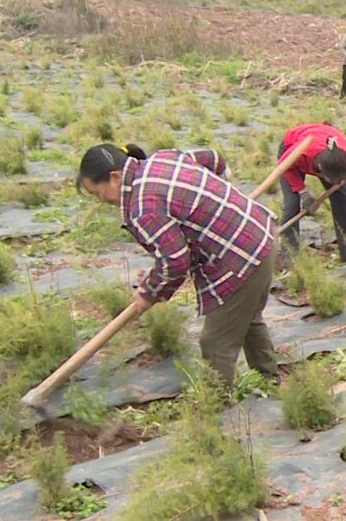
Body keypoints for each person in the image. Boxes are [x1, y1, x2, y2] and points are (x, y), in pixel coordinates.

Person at [76, 143, 279, 388]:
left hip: (240, 259)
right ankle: (269, 381)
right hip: (261, 233)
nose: (100, 200)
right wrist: (219, 198)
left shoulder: (142, 208)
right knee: (247, 316)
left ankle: (215, 404)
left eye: (97, 193)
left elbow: (175, 261)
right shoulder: (163, 158)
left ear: (115, 178)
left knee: (215, 343)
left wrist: (149, 293)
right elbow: (213, 158)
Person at [277, 123, 346, 262]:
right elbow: (284, 166)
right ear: (321, 170)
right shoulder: (302, 152)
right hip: (291, 149)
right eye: (334, 180)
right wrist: (303, 192)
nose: (337, 182)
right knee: (292, 204)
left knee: (344, 201)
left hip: (327, 154)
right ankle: (290, 257)